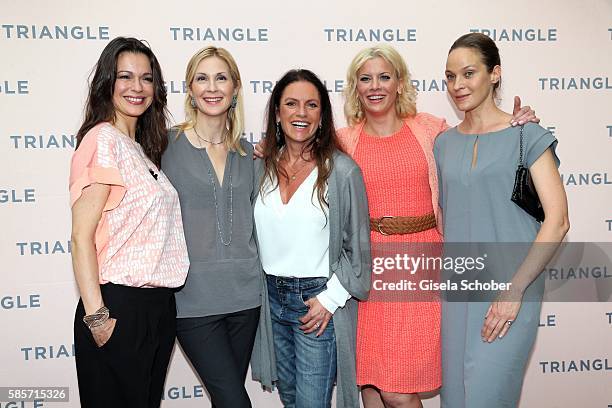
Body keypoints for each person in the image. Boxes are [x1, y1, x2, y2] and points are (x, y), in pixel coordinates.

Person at [336, 45, 539, 408]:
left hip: (420, 268)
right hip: (368, 272)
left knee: (397, 392)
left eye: (385, 76)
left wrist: (517, 121)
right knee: (369, 386)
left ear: (400, 82)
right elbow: (300, 158)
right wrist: (262, 153)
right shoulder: (344, 140)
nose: (375, 86)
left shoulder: (431, 130)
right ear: (355, 87)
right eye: (365, 79)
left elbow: (481, 135)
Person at [435, 32, 569, 408]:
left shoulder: (528, 135)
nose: (458, 85)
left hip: (511, 292)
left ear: (495, 74)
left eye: (468, 73)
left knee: (487, 397)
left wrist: (514, 292)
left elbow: (557, 220)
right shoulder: (443, 143)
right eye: (450, 76)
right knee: (457, 400)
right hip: (457, 294)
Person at [69, 37, 189, 408]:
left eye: (146, 78)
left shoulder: (140, 149)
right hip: (117, 306)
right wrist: (98, 317)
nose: (137, 87)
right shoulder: (102, 139)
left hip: (157, 307)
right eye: (126, 76)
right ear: (108, 82)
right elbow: (80, 237)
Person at [251, 69, 371, 408]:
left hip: (316, 303)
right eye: (291, 104)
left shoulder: (342, 171)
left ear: (322, 116)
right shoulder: (260, 167)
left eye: (311, 105)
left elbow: (359, 251)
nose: (300, 113)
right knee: (291, 401)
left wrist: (329, 300)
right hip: (270, 301)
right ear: (277, 113)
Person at [161, 46, 261, 408]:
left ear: (235, 87)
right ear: (189, 88)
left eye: (221, 77)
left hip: (246, 297)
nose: (212, 87)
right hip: (192, 302)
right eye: (202, 78)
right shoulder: (165, 144)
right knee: (235, 402)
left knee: (227, 400)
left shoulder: (249, 153)